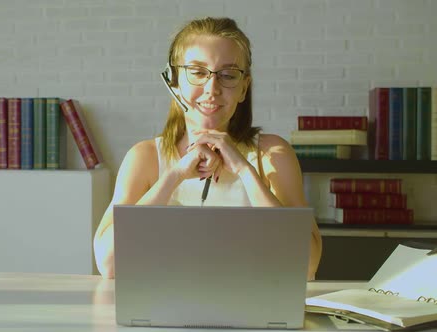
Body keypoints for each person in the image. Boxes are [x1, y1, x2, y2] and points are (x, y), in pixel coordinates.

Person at [93, 17, 322, 280]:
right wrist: (175, 175)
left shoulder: (272, 154)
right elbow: (109, 263)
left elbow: (307, 265)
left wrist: (244, 170)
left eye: (228, 75)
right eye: (198, 72)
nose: (212, 89)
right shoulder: (143, 157)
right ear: (174, 81)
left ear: (244, 88)